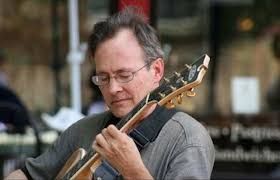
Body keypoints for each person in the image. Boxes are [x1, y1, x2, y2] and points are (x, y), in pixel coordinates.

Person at [5, 7, 215, 179]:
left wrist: (133, 171)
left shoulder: (187, 139)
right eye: (103, 78)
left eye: (124, 75)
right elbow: (26, 175)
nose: (113, 88)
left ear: (157, 70)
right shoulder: (82, 131)